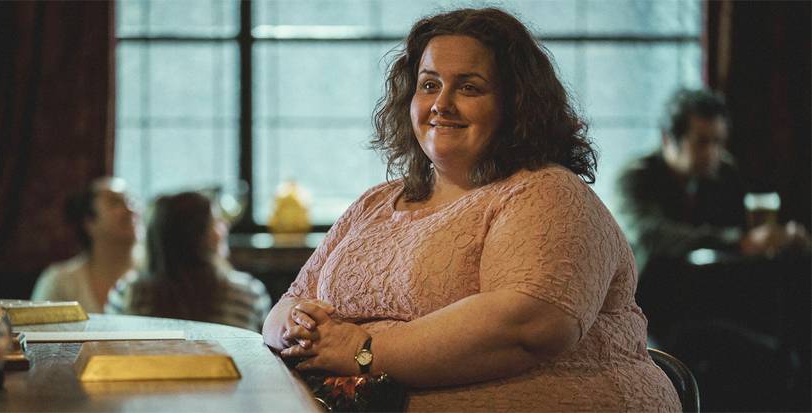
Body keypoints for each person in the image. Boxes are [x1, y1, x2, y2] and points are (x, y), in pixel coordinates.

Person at [262, 8, 680, 411]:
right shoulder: (374, 202)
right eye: (429, 85)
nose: (441, 104)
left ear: (515, 104)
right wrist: (295, 328)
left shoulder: (546, 192)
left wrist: (363, 350)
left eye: (469, 87)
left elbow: (529, 325)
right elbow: (288, 303)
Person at [616, 88, 810, 276]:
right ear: (668, 139)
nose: (712, 153)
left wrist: (782, 237)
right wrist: (736, 241)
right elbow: (651, 235)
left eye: (718, 142)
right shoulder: (635, 177)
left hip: (710, 285)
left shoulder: (724, 172)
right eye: (702, 142)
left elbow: (744, 228)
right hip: (648, 289)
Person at [106, 191, 271, 332]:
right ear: (200, 237)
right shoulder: (248, 294)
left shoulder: (126, 294)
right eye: (215, 221)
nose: (225, 226)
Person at [31, 177, 138, 313]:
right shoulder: (60, 282)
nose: (130, 210)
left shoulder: (156, 282)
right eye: (115, 202)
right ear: (89, 222)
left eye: (131, 201)